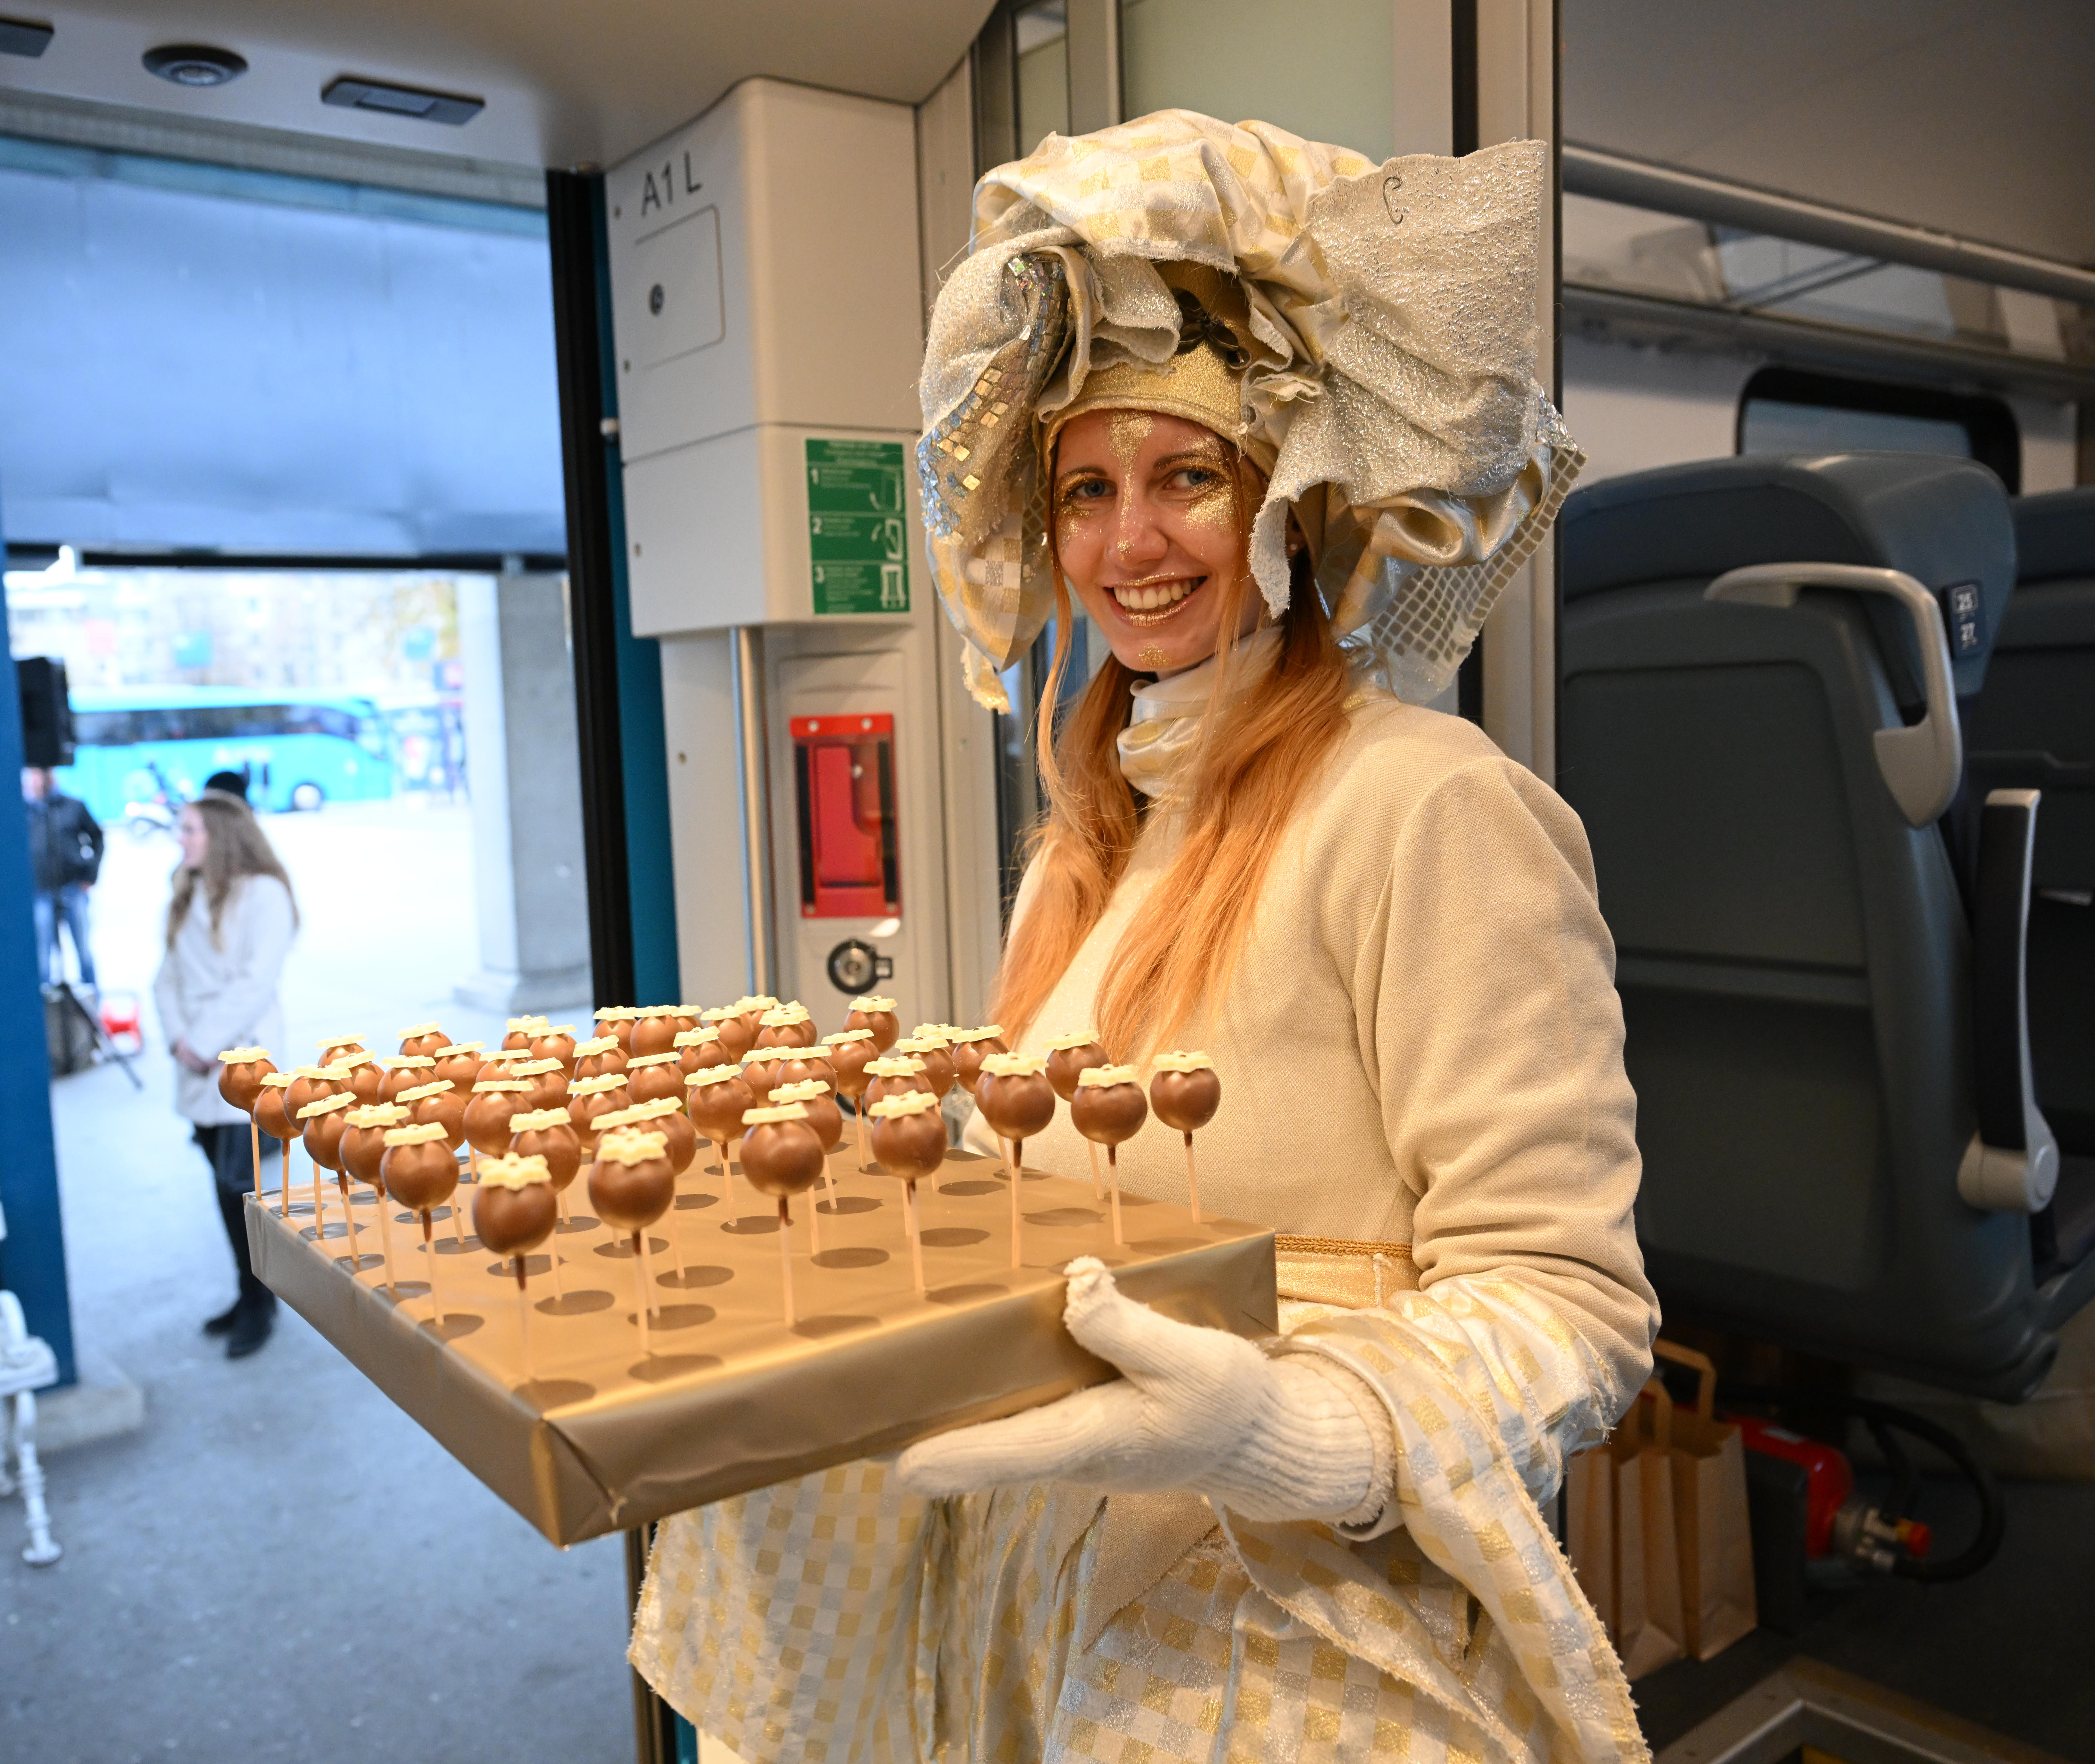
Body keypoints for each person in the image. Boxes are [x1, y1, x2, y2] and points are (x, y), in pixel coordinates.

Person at [631, 116, 1656, 1760]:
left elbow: (1569, 1301)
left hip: (1287, 1598)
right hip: (1031, 1589)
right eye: (1086, 492)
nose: (1131, 544)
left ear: (1286, 504)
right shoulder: (1082, 846)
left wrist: (1294, 1429)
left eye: (1188, 477)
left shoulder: (1431, 806)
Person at [152, 792, 296, 1359]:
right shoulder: (188, 891)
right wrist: (178, 1039)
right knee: (223, 1185)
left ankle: (261, 1302)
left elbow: (256, 981)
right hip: (196, 1061)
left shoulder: (264, 893)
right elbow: (166, 976)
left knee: (242, 1189)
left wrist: (202, 1041)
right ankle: (248, 1291)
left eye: (190, 829)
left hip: (242, 1060)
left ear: (222, 834)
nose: (180, 838)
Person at [24, 766, 104, 988]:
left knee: (83, 949)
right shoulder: (25, 811)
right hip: (40, 891)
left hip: (73, 888)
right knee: (42, 953)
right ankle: (44, 1001)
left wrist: (91, 874)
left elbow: (98, 839)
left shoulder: (74, 807)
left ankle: (92, 997)